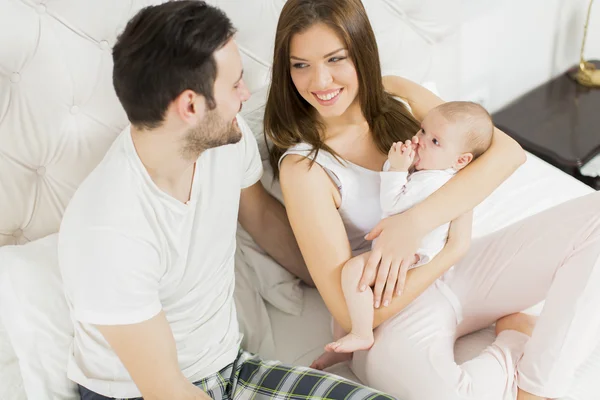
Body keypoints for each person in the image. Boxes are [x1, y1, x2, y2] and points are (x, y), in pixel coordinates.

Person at [58, 2, 397, 400]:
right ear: (190, 106)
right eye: (235, 84)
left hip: (229, 369)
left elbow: (264, 221)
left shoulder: (224, 142)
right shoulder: (108, 230)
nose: (246, 94)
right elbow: (165, 389)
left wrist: (349, 291)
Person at [263, 0, 600, 399]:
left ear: (362, 51)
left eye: (335, 58)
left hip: (470, 270)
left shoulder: (398, 94)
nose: (320, 81)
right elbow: (346, 309)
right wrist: (451, 250)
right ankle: (515, 339)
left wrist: (416, 224)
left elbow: (507, 154)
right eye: (300, 64)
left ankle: (535, 388)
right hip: (396, 307)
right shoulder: (305, 166)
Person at [311, 101, 493, 370]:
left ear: (461, 160)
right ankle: (347, 344)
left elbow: (393, 205)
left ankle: (362, 333)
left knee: (351, 273)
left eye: (434, 141)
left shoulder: (433, 181)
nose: (419, 141)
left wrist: (396, 168)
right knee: (348, 298)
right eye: (421, 131)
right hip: (410, 250)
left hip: (415, 255)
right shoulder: (434, 175)